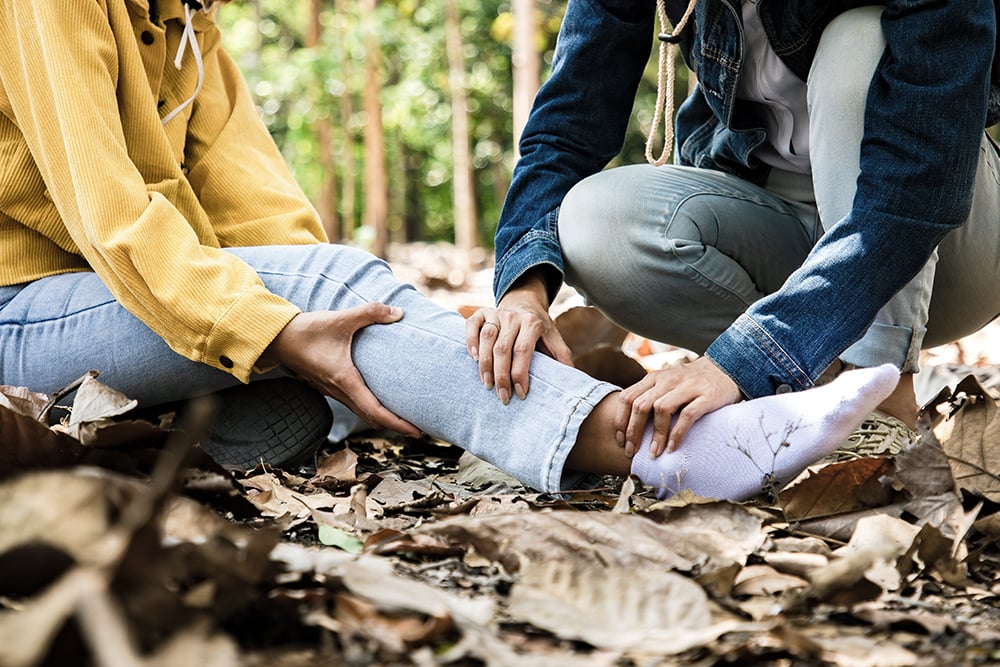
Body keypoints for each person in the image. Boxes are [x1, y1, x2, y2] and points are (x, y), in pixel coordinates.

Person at [0, 0, 900, 503]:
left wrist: (307, 333)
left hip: (110, 308)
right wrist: (278, 323)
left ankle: (181, 420)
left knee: (302, 389)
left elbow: (259, 210)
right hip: (25, 311)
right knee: (333, 299)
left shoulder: (185, 21)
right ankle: (657, 450)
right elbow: (114, 216)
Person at [476, 0, 1000, 463]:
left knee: (860, 40)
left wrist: (748, 360)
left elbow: (915, 191)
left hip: (943, 243)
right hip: (777, 220)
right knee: (596, 221)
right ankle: (815, 383)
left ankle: (880, 396)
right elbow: (569, 123)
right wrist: (524, 292)